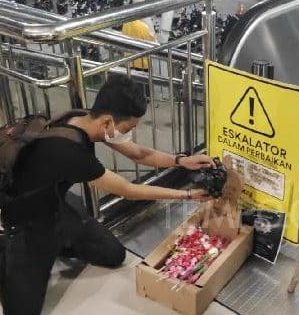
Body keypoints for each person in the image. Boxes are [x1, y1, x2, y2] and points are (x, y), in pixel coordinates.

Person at [0, 74, 214, 315]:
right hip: (24, 222)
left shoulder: (82, 117)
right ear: (108, 122)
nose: (130, 133)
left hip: (55, 204)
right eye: (129, 128)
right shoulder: (69, 153)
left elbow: (140, 154)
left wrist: (182, 161)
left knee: (113, 254)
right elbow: (129, 190)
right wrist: (189, 195)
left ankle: (56, 241)